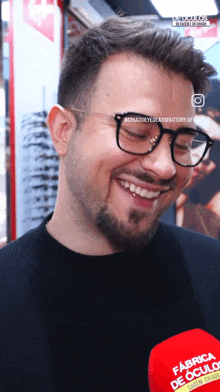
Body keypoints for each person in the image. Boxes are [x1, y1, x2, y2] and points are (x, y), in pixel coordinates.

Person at [1, 16, 220, 392]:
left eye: (182, 144)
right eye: (136, 133)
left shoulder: (213, 273)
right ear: (63, 130)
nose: (166, 166)